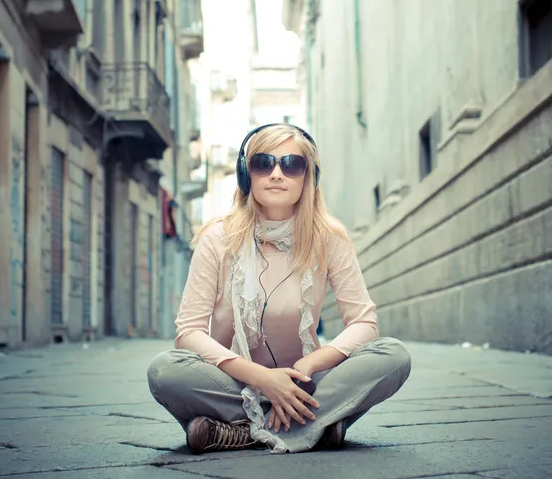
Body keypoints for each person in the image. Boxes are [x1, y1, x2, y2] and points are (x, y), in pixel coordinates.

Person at [147, 124, 411, 454]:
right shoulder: (217, 238)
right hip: (233, 383)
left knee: (393, 355)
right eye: (262, 163)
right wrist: (262, 379)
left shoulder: (329, 237)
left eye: (291, 164)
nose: (276, 173)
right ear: (247, 174)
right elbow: (189, 332)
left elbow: (364, 323)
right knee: (164, 370)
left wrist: (309, 365)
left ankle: (242, 431)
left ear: (307, 176)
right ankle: (315, 426)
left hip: (307, 385)